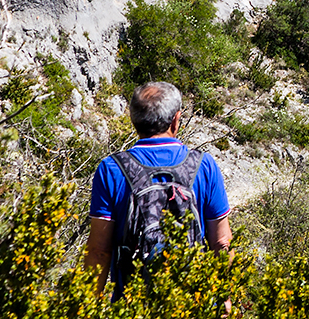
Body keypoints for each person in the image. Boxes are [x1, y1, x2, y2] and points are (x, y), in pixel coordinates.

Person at [84, 81, 231, 296]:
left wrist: (85, 306)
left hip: (132, 304)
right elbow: (221, 241)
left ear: (134, 120)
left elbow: (99, 251)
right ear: (175, 120)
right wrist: (224, 298)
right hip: (192, 302)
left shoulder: (112, 168)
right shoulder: (203, 165)